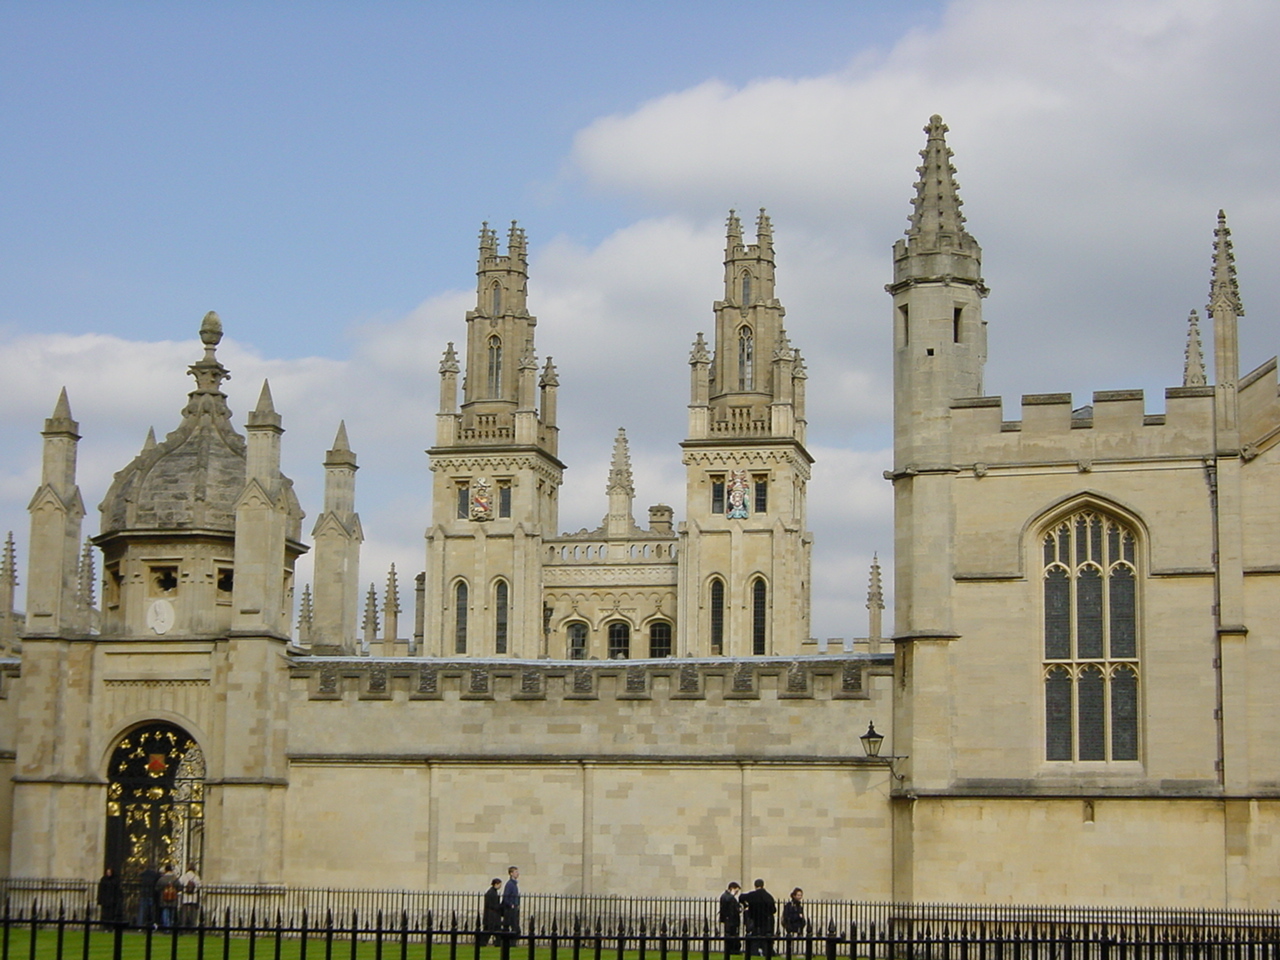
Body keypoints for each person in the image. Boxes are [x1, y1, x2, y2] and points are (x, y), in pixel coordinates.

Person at [738, 879, 776, 959]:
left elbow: (741, 897)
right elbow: (773, 910)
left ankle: (754, 952)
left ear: (755, 886)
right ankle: (767, 952)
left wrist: (746, 906)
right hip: (765, 921)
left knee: (754, 938)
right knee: (765, 938)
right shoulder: (768, 896)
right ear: (763, 885)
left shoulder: (752, 895)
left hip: (755, 919)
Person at [718, 882, 742, 954]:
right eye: (736, 891)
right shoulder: (729, 897)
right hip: (732, 920)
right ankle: (733, 950)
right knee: (732, 935)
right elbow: (733, 910)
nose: (737, 893)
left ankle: (731, 949)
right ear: (732, 889)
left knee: (730, 935)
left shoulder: (724, 896)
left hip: (728, 919)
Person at [479, 878, 502, 946]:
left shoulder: (492, 892)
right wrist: (500, 907)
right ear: (496, 884)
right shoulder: (492, 893)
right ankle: (484, 942)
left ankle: (497, 942)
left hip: (491, 915)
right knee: (491, 930)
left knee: (491, 930)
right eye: (499, 884)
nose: (500, 886)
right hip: (492, 915)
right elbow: (493, 905)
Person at [177, 862, 201, 928]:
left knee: (184, 911)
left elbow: (179, 883)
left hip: (185, 896)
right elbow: (199, 886)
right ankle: (192, 925)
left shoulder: (184, 876)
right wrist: (194, 890)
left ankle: (183, 925)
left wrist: (184, 890)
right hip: (193, 896)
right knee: (193, 912)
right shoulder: (196, 877)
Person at [136, 864, 161, 928]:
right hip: (151, 894)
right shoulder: (155, 875)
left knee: (142, 910)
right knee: (151, 910)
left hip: (144, 893)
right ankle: (151, 923)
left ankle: (140, 925)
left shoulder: (143, 874)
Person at [156, 864, 180, 929]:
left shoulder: (162, 879)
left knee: (165, 911)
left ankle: (166, 926)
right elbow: (179, 887)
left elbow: (157, 888)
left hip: (164, 897)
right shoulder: (175, 878)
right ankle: (171, 925)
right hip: (173, 897)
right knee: (172, 912)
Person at [500, 866, 521, 940]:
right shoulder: (510, 884)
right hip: (510, 909)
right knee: (512, 925)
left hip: (514, 907)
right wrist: (511, 905)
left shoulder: (514, 884)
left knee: (514, 925)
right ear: (511, 873)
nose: (517, 874)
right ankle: (511, 941)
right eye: (516, 872)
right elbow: (506, 896)